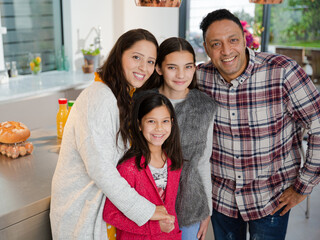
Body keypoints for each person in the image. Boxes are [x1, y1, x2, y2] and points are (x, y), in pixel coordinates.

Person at [197, 9, 320, 240]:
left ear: (245, 39)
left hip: (271, 199)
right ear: (206, 48)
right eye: (216, 44)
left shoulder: (282, 71)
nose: (226, 51)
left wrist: (303, 187)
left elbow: (318, 125)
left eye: (233, 40)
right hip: (221, 199)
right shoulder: (199, 78)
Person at [50, 29, 174, 240]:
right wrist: (146, 209)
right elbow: (101, 169)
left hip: (101, 210)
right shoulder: (98, 98)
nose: (144, 68)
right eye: (136, 57)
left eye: (151, 62)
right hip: (82, 211)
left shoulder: (120, 96)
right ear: (119, 56)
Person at [147, 37, 217, 240]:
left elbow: (203, 162)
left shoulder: (205, 106)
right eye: (172, 67)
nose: (181, 75)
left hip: (189, 205)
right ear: (159, 68)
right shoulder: (142, 101)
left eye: (188, 67)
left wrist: (207, 211)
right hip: (147, 203)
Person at [103, 92, 183, 239]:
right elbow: (111, 214)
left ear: (172, 122)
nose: (159, 128)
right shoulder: (128, 168)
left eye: (165, 121)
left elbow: (170, 209)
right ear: (139, 124)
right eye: (151, 121)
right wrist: (154, 227)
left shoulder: (174, 163)